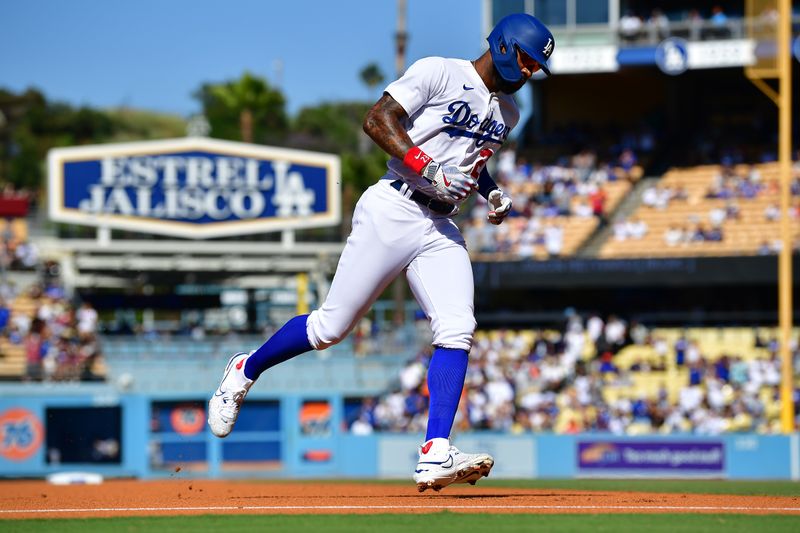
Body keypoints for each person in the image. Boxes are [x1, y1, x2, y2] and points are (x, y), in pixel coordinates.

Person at [207, 13, 555, 492]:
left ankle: (435, 453)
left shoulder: (509, 113)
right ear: (503, 45)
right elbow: (378, 119)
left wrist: (490, 192)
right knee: (331, 327)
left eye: (537, 65)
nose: (531, 70)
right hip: (395, 205)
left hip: (440, 223)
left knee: (458, 326)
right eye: (528, 58)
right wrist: (429, 168)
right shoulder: (440, 71)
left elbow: (470, 163)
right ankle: (246, 369)